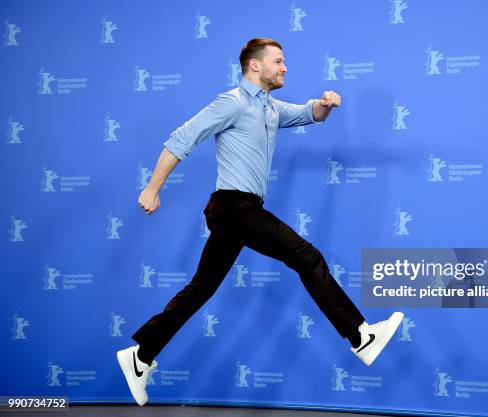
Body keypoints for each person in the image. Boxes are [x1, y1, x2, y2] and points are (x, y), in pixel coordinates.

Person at [116, 38, 403, 406]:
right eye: (279, 62)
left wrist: (325, 105)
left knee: (201, 288)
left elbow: (306, 113)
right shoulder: (232, 102)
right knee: (307, 257)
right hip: (235, 207)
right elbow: (182, 139)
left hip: (236, 211)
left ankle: (140, 356)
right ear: (255, 65)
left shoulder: (270, 108)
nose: (284, 68)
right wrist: (153, 188)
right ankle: (362, 337)